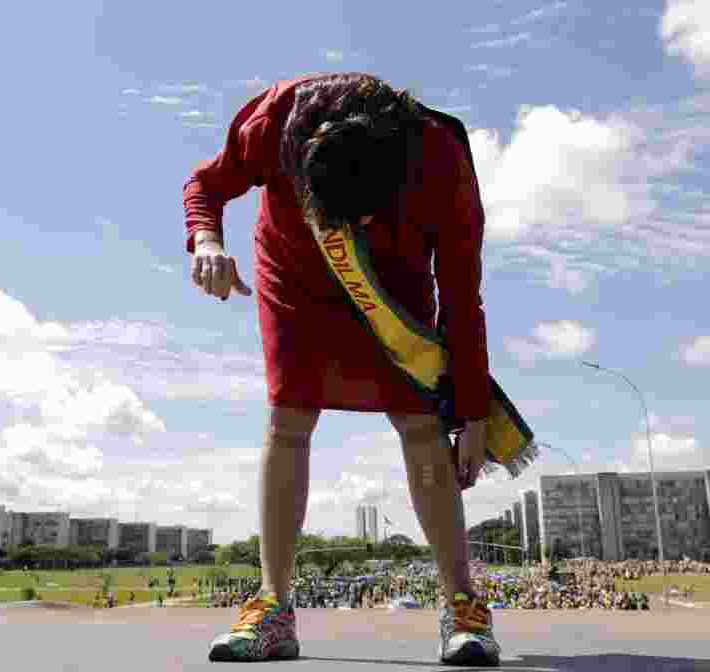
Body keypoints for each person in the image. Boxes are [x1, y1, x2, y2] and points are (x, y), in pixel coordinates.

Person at [187, 72, 499, 667]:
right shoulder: (276, 116)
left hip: (393, 285)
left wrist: (474, 413)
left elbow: (462, 292)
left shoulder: (441, 155)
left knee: (419, 425)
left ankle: (463, 609)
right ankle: (273, 610)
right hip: (294, 276)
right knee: (288, 419)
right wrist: (206, 241)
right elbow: (206, 183)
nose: (348, 229)